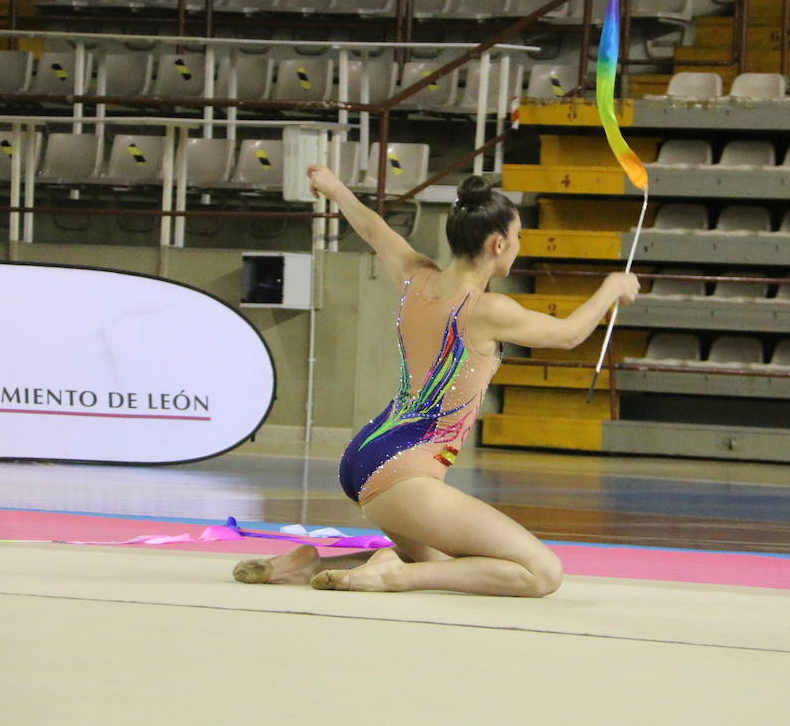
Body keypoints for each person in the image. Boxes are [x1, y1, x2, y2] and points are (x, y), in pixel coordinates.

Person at [233, 165, 639, 597]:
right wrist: (612, 288)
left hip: (365, 455)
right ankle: (393, 577)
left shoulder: (416, 277)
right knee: (540, 573)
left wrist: (335, 188)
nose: (518, 246)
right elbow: (570, 334)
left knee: (444, 563)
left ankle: (306, 564)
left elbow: (373, 230)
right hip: (405, 471)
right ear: (498, 243)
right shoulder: (487, 309)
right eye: (518, 237)